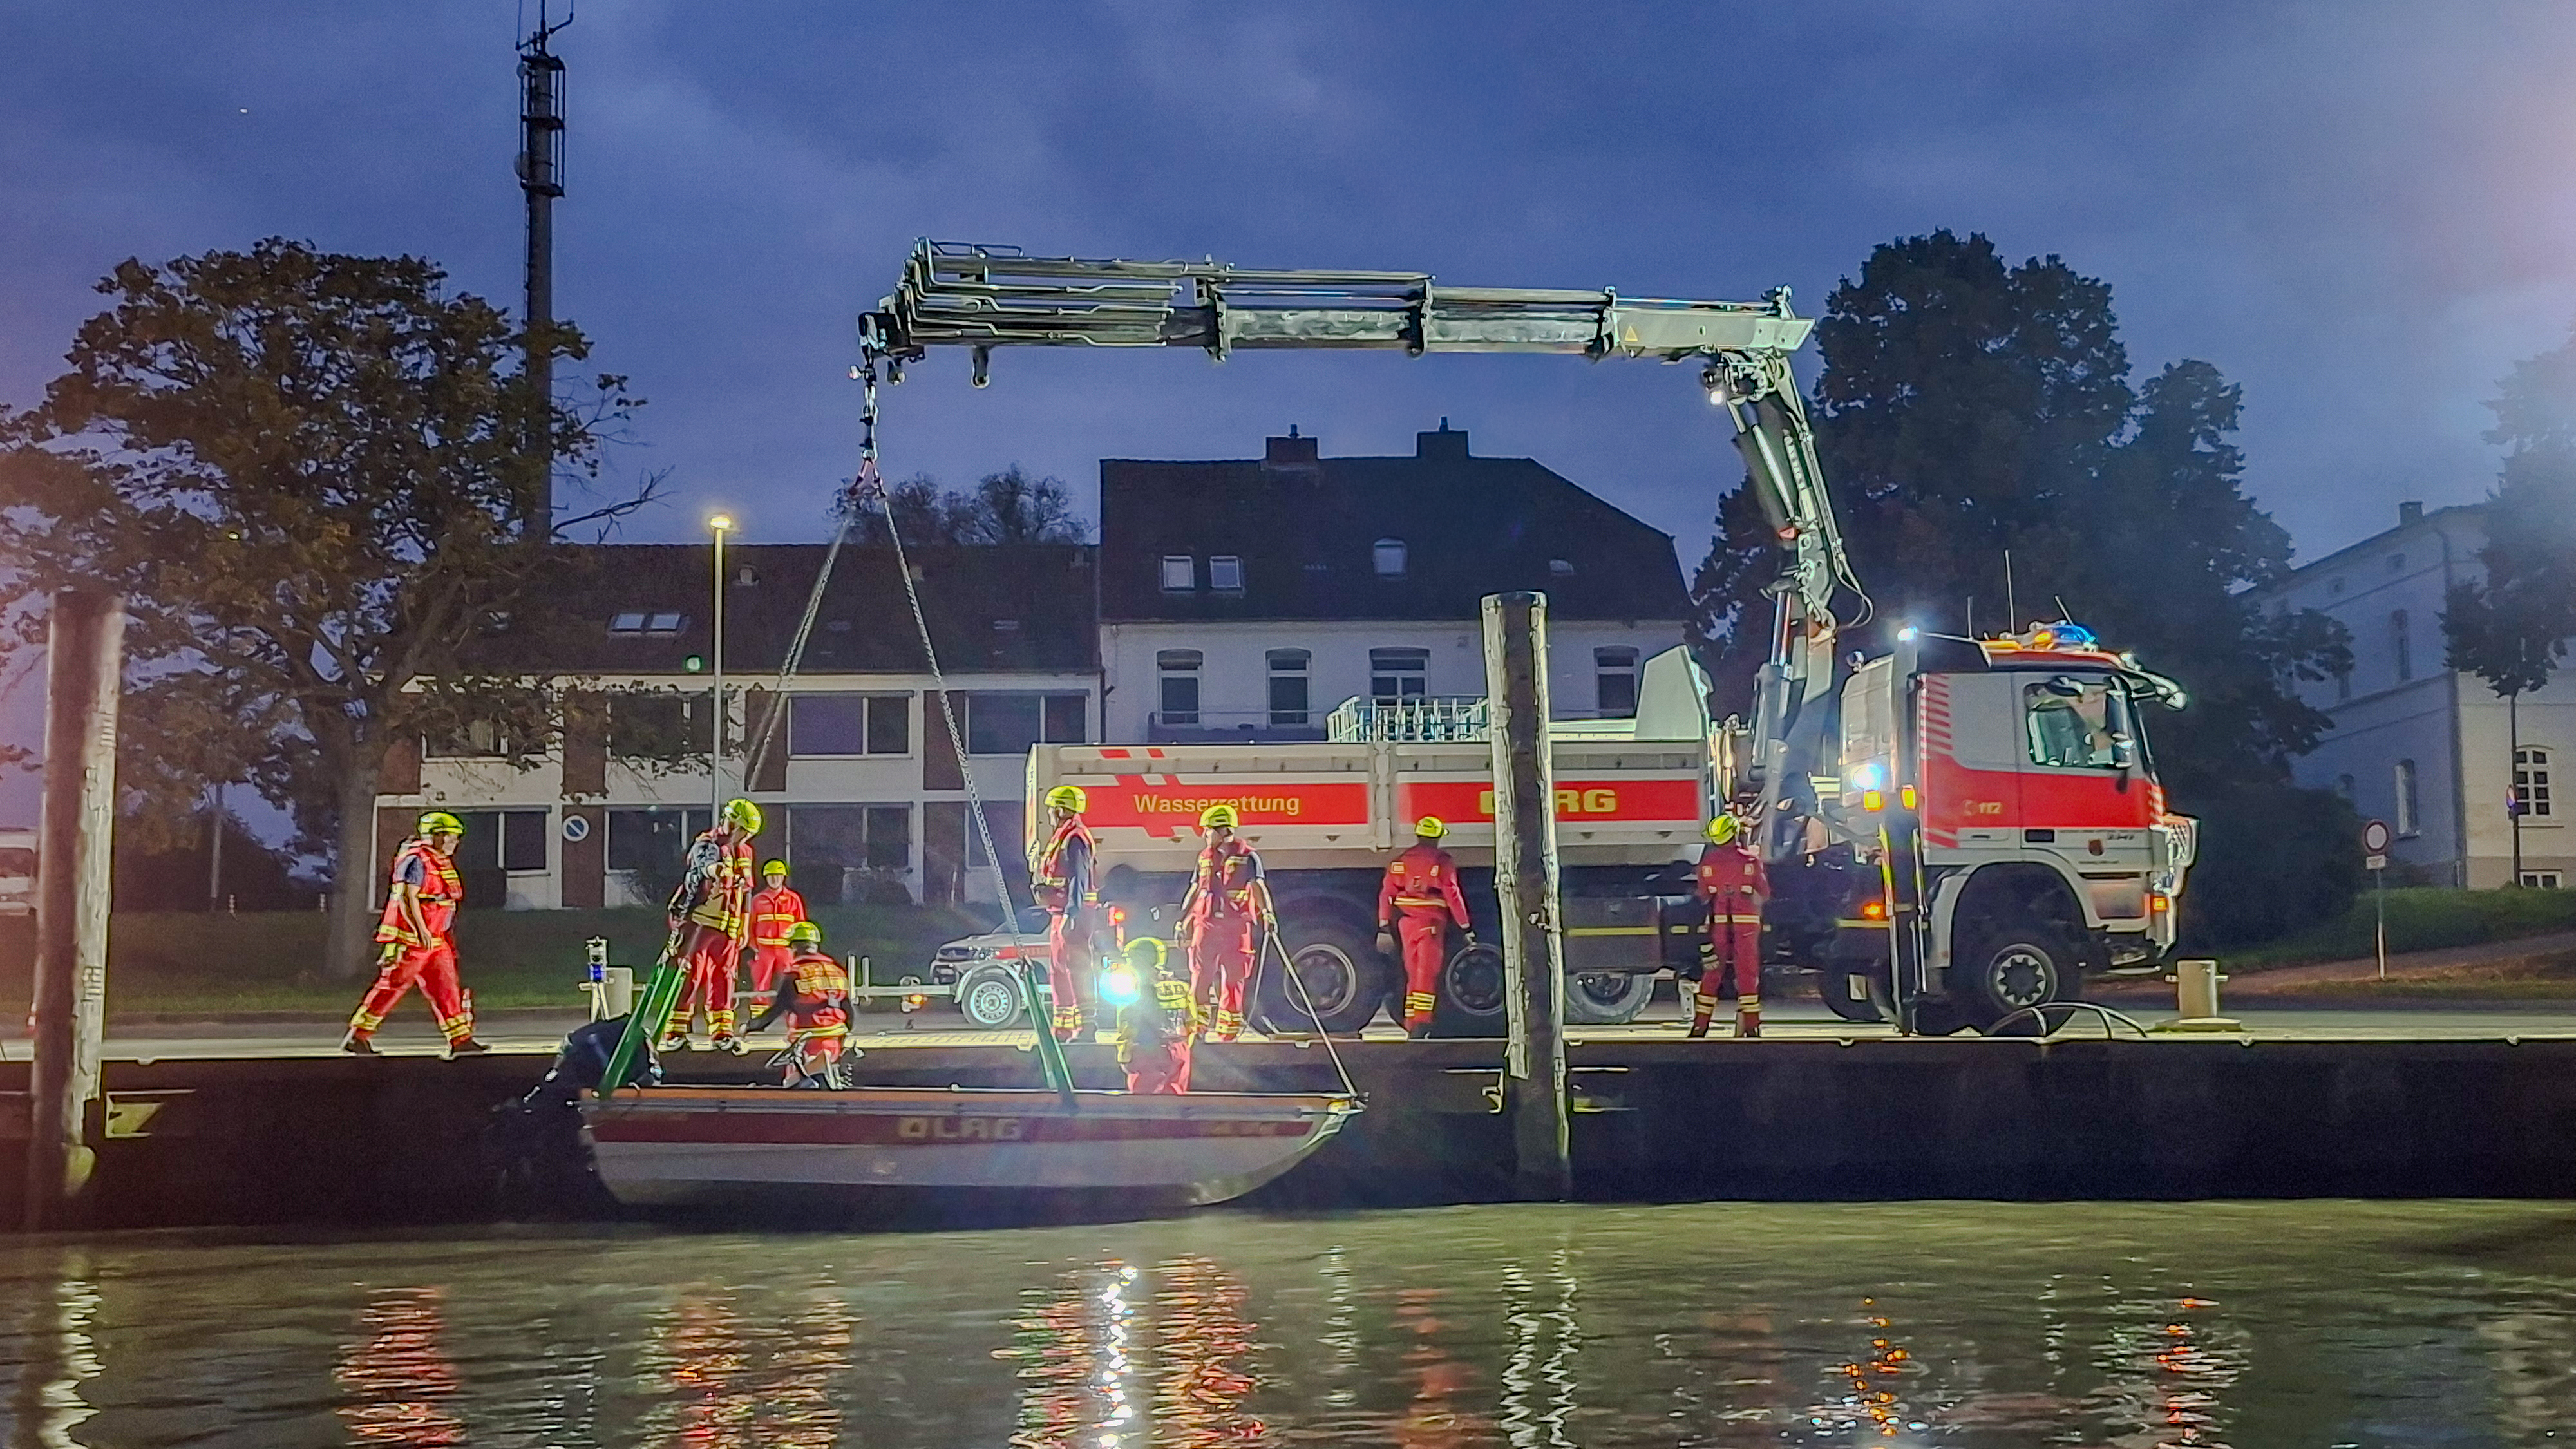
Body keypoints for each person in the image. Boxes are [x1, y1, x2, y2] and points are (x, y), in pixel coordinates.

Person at [342, 811, 488, 1057]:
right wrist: (420, 931)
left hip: (436, 939)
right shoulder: (416, 860)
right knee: (392, 986)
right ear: (435, 836)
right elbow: (407, 898)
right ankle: (359, 1035)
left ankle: (460, 1039)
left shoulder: (440, 861)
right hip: (414, 940)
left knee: (446, 988)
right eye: (450, 837)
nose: (455, 843)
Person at [659, 797, 761, 1054]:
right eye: (743, 831)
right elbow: (703, 865)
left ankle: (722, 1031)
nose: (744, 838)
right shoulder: (707, 842)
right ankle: (677, 1029)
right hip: (700, 921)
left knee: (725, 977)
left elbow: (746, 892)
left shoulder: (746, 852)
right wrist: (718, 871)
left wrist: (744, 926)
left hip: (728, 924)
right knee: (690, 974)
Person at [1180, 804, 1276, 1043]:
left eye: (1208, 830)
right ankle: (1197, 1031)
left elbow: (1257, 885)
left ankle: (1228, 1034)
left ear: (1223, 830)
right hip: (1207, 924)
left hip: (1236, 926)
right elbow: (1196, 888)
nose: (1204, 836)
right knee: (1200, 977)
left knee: (1233, 980)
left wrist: (1267, 913)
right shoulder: (1204, 858)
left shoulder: (1248, 856)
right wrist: (1184, 919)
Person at [1378, 815, 1473, 1039]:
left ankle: (1411, 1022)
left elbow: (1387, 894)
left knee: (1413, 973)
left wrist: (1384, 925)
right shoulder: (1442, 861)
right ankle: (1421, 1023)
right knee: (1426, 974)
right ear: (1437, 837)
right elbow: (1452, 894)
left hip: (1407, 924)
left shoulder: (1401, 861)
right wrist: (1465, 925)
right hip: (1430, 924)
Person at [746, 920, 855, 1088]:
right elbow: (848, 1008)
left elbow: (779, 1007)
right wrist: (844, 1032)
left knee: (793, 1083)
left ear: (795, 948)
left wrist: (752, 1026)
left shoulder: (795, 974)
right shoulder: (837, 971)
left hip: (807, 1039)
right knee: (829, 1078)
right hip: (835, 1037)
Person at [1689, 813, 1769, 1039]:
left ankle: (1700, 1027)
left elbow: (1703, 895)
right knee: (1747, 974)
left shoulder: (1708, 863)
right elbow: (1765, 892)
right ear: (1735, 834)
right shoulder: (1751, 862)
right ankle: (1752, 1027)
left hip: (1719, 927)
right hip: (1747, 928)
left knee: (1712, 974)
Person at [1029, 784, 1098, 1042]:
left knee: (1076, 967)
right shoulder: (1064, 835)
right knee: (1059, 968)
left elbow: (1080, 877)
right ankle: (1064, 1028)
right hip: (1060, 911)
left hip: (1073, 914)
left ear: (1059, 810)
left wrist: (1073, 911)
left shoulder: (1075, 837)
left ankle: (1087, 1025)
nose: (1048, 814)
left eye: (1050, 810)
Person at [1111, 936, 1199, 1094]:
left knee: (1145, 1107)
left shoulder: (1134, 989)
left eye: (1130, 959)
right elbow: (1192, 1022)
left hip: (1146, 1051)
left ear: (1140, 960)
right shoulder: (1181, 986)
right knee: (1176, 1101)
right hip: (1179, 1049)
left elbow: (1130, 1022)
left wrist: (1125, 1053)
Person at [744, 859, 806, 997]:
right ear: (766, 878)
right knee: (760, 986)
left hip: (786, 950)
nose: (775, 879)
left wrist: (797, 947)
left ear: (784, 877)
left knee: (790, 984)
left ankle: (791, 1014)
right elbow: (750, 926)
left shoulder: (793, 899)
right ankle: (758, 1015)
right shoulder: (758, 900)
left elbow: (801, 925)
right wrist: (754, 947)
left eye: (778, 876)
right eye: (771, 876)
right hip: (764, 950)